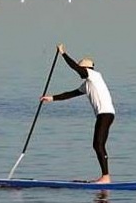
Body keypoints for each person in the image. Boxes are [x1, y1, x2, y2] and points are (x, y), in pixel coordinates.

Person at [41, 43, 116, 184]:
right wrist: (51, 98)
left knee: (98, 145)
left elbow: (75, 67)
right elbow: (71, 94)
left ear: (86, 68)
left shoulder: (94, 75)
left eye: (82, 69)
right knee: (98, 145)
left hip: (105, 114)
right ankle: (105, 176)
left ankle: (106, 177)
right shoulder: (88, 84)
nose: (80, 72)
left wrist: (63, 53)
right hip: (105, 115)